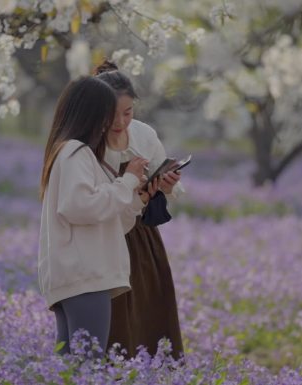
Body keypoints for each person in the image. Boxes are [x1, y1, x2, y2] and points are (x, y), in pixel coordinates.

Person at [38, 76, 150, 355]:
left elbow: (106, 219)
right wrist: (126, 182)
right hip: (85, 274)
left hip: (75, 276)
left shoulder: (71, 153)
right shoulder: (76, 152)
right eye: (106, 115)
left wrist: (139, 195)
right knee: (87, 366)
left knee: (71, 369)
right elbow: (79, 206)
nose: (111, 124)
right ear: (91, 114)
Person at [95, 60, 185, 359]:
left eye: (128, 112)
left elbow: (167, 189)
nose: (120, 122)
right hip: (105, 237)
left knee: (149, 319)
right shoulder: (86, 140)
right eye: (112, 114)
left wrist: (166, 184)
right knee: (116, 324)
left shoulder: (144, 134)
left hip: (142, 239)